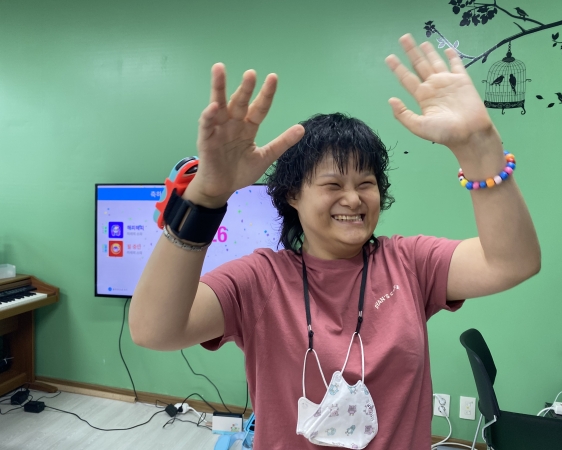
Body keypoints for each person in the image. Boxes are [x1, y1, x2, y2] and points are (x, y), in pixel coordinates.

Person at [129, 34, 541, 450]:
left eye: (366, 183)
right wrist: (205, 198)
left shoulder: (410, 262)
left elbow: (512, 262)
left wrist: (479, 146)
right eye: (332, 184)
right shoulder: (260, 279)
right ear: (293, 195)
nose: (354, 199)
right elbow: (153, 330)